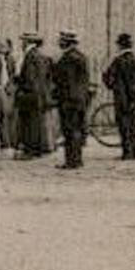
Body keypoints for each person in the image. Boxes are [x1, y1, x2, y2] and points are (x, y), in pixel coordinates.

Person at [103, 33, 135, 160]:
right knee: (133, 124)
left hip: (121, 97)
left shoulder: (118, 61)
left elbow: (109, 79)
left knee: (123, 125)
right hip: (134, 97)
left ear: (120, 46)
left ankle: (127, 153)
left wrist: (108, 82)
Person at [52, 30, 91, 169]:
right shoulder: (81, 57)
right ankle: (77, 159)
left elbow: (64, 80)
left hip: (69, 100)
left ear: (66, 42)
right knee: (77, 130)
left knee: (69, 130)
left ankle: (71, 161)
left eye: (61, 41)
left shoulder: (68, 59)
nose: (59, 43)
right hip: (80, 99)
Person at [14, 33, 54, 158]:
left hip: (29, 95)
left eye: (24, 41)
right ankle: (37, 150)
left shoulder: (30, 56)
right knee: (36, 123)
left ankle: (29, 151)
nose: (22, 43)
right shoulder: (42, 56)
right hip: (39, 95)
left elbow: (29, 78)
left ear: (29, 42)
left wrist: (20, 84)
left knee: (28, 124)